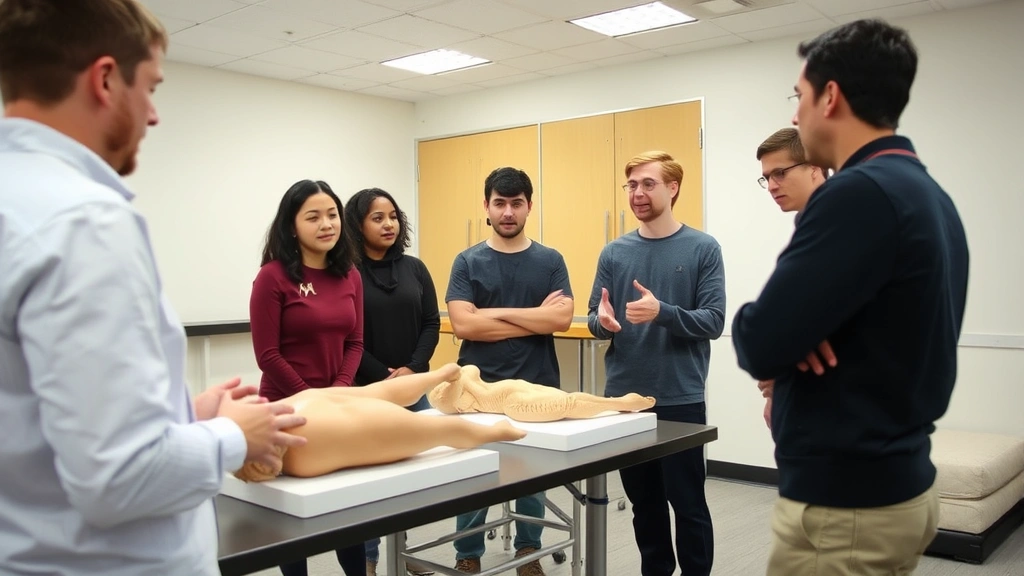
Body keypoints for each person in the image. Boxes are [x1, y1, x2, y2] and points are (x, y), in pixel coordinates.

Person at [0, 1, 307, 575]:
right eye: (151, 87)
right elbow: (118, 479)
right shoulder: (83, 223)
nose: (154, 115)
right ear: (106, 78)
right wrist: (230, 436)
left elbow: (31, 417)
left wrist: (179, 418)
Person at [731, 19, 969, 576]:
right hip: (894, 481)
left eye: (801, 96)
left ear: (830, 96)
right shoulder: (925, 191)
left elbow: (760, 340)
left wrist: (781, 337)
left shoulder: (856, 195)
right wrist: (798, 334)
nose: (796, 114)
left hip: (847, 508)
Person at [588, 150, 725, 576]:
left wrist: (662, 311)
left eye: (648, 184)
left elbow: (714, 321)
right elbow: (596, 316)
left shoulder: (703, 248)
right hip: (626, 401)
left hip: (679, 398)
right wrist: (604, 323)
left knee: (688, 504)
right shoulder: (614, 252)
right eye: (631, 185)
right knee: (644, 506)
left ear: (673, 188)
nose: (638, 193)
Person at [446, 167, 573, 576]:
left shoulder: (550, 260)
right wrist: (534, 316)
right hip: (477, 386)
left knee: (531, 471)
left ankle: (528, 552)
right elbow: (464, 325)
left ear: (529, 206)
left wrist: (491, 314)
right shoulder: (467, 261)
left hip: (536, 384)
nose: (507, 212)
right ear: (486, 206)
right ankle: (467, 553)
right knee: (476, 472)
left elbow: (562, 320)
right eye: (499, 203)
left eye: (516, 203)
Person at [249, 179, 365, 576]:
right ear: (291, 225)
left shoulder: (350, 275)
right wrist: (312, 399)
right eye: (313, 217)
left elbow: (355, 341)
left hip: (337, 405)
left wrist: (338, 393)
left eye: (332, 214)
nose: (326, 224)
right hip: (284, 409)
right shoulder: (273, 277)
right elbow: (267, 355)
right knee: (293, 517)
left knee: (346, 510)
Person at [344, 187, 440, 576]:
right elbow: (345, 334)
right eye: (377, 217)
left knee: (413, 476)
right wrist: (382, 376)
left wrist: (413, 369)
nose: (388, 224)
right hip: (366, 390)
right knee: (371, 482)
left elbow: (432, 322)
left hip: (413, 387)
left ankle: (405, 553)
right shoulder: (346, 274)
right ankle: (369, 560)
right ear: (358, 224)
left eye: (393, 217)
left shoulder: (414, 268)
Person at [233, 363, 526, 483]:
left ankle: (441, 374)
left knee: (378, 393)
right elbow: (439, 429)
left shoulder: (285, 414)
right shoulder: (300, 455)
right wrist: (492, 432)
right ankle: (494, 432)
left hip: (316, 410)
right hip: (352, 426)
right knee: (436, 430)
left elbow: (376, 392)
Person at [754, 127, 828, 430]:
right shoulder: (809, 226)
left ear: (815, 166)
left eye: (780, 173)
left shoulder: (834, 226)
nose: (772, 185)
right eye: (766, 177)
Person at [429, 364, 655, 421]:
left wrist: (447, 376)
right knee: (567, 402)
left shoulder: (452, 390)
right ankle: (619, 403)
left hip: (511, 395)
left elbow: (464, 371)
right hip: (510, 398)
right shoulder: (445, 397)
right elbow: (463, 373)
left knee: (567, 401)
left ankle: (619, 403)